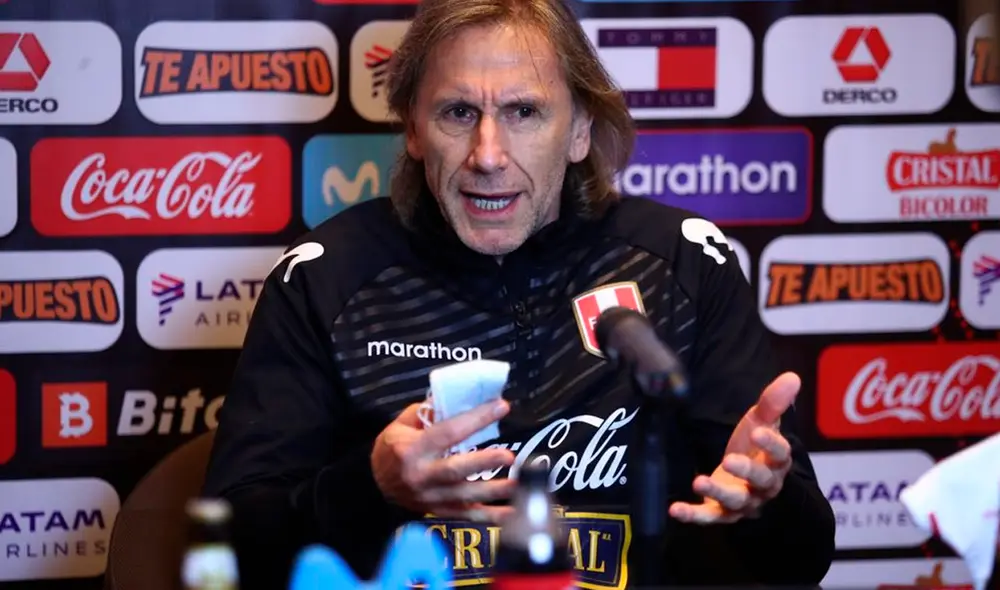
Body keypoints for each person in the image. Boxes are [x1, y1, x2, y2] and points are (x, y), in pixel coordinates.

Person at [201, 0, 836, 587]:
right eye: (458, 113)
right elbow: (228, 554)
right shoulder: (325, 276)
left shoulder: (682, 266)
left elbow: (803, 559)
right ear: (414, 129)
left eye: (523, 112)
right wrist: (372, 486)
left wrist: (767, 502)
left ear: (581, 128)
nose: (488, 154)